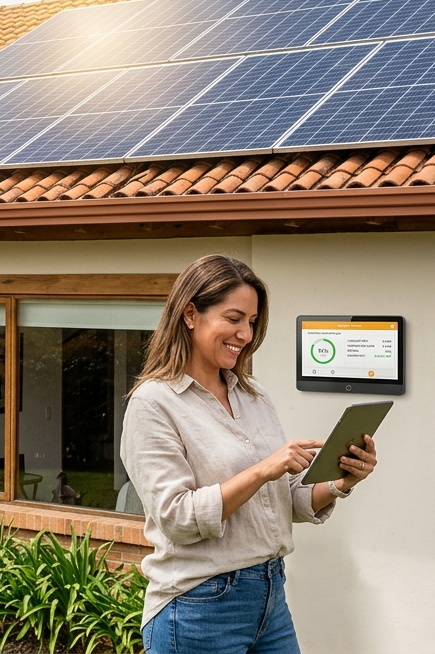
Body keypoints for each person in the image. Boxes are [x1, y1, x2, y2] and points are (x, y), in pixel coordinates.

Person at [121, 255, 378, 654]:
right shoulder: (154, 404)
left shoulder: (253, 395)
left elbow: (283, 500)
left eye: (252, 322)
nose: (244, 333)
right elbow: (176, 518)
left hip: (270, 597)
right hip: (199, 606)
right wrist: (264, 469)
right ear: (191, 314)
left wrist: (341, 481)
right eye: (234, 318)